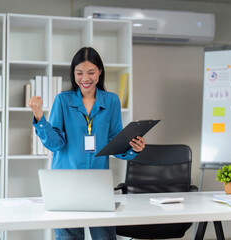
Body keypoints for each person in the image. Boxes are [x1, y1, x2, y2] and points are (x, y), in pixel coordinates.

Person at [28, 47, 145, 240]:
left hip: (98, 184)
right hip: (65, 184)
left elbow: (114, 142)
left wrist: (133, 149)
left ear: (100, 72)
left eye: (91, 72)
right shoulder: (63, 100)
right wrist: (40, 117)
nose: (85, 78)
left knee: (104, 237)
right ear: (73, 74)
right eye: (79, 73)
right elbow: (56, 144)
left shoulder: (111, 101)